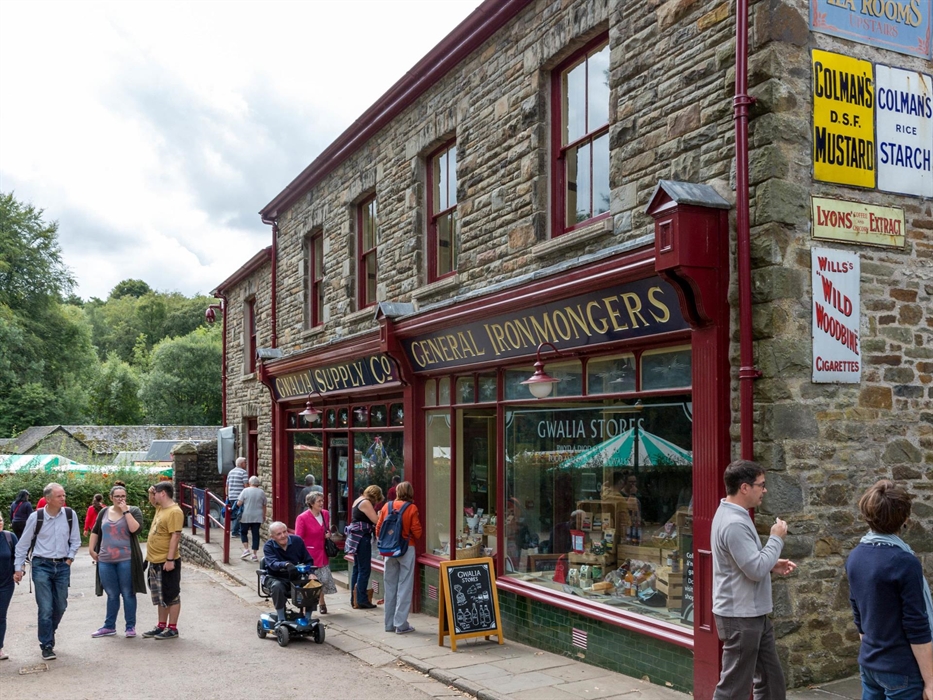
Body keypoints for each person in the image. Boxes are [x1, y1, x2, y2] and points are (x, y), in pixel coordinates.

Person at [711, 460, 796, 700]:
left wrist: (771, 563)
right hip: (740, 617)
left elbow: (747, 562)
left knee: (771, 682)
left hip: (753, 614)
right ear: (745, 487)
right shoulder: (734, 523)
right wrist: (776, 539)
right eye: (761, 485)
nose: (765, 490)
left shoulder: (733, 514)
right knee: (733, 689)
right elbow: (756, 570)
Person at [846, 480, 933, 700]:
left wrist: (875, 655)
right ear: (904, 519)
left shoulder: (856, 556)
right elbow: (916, 625)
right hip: (901, 669)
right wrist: (931, 682)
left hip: (870, 664)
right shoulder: (905, 562)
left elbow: (859, 614)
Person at [12, 482, 81, 661]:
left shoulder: (70, 515)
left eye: (64, 495)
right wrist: (18, 568)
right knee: (45, 607)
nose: (63, 498)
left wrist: (69, 559)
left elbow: (76, 540)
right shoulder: (36, 517)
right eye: (59, 496)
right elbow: (23, 544)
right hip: (41, 565)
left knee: (61, 605)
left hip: (62, 566)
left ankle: (49, 631)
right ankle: (47, 645)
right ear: (48, 499)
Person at [88, 483, 147, 639]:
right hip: (105, 559)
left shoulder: (133, 510)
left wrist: (125, 511)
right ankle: (109, 626)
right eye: (117, 496)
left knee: (128, 593)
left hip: (126, 559)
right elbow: (95, 531)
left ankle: (130, 626)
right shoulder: (104, 512)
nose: (120, 499)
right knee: (112, 594)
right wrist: (91, 549)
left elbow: (136, 529)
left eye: (123, 496)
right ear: (111, 498)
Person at [376, 480, 422, 634]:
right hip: (406, 548)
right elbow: (417, 532)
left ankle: (388, 624)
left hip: (389, 550)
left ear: (397, 492)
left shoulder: (386, 506)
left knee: (389, 587)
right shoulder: (412, 508)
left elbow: (378, 529)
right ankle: (401, 625)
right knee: (405, 586)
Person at [143, 482, 184, 640]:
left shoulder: (174, 511)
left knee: (171, 594)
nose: (153, 496)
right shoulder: (161, 508)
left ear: (163, 493)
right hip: (155, 560)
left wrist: (170, 559)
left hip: (166, 561)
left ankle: (172, 628)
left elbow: (175, 535)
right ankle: (161, 625)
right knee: (160, 596)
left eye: (155, 493)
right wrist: (150, 492)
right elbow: (153, 502)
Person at [262, 522, 315, 623]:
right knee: (277, 586)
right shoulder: (268, 546)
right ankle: (281, 618)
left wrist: (311, 573)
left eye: (284, 532)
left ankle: (308, 618)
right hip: (276, 576)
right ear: (272, 537)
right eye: (279, 534)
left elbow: (308, 560)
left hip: (295, 576)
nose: (283, 536)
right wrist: (286, 564)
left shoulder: (297, 541)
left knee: (312, 585)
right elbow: (272, 563)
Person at [295, 492, 337, 614]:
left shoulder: (325, 514)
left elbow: (326, 529)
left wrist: (328, 534)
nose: (322, 503)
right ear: (311, 503)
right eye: (319, 501)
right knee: (311, 581)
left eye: (322, 500)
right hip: (310, 554)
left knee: (323, 580)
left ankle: (321, 601)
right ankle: (307, 607)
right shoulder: (302, 518)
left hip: (323, 553)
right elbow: (298, 538)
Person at [346, 485, 382, 610]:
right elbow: (376, 520)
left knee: (357, 568)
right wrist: (380, 514)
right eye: (377, 500)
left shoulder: (358, 500)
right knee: (364, 569)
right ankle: (361, 600)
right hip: (362, 538)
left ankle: (354, 599)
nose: (376, 503)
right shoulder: (366, 502)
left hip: (356, 538)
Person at [0, 512, 19, 661]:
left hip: (6, 584)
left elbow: (18, 556)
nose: (0, 523)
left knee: (1, 616)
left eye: (0, 520)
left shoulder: (9, 537)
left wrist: (19, 571)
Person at [237, 476, 267, 561]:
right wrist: (264, 515)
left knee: (243, 532)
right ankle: (254, 554)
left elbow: (239, 503)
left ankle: (246, 549)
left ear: (250, 483)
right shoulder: (261, 492)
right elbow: (264, 505)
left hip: (246, 515)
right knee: (255, 534)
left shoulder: (245, 490)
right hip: (257, 516)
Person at [226, 457, 249, 538]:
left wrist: (227, 495)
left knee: (234, 513)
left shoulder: (231, 472)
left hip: (231, 496)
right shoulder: (243, 472)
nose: (246, 464)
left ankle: (235, 530)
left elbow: (227, 485)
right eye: (245, 462)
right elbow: (246, 485)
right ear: (241, 464)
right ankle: (235, 532)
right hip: (239, 497)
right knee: (239, 514)